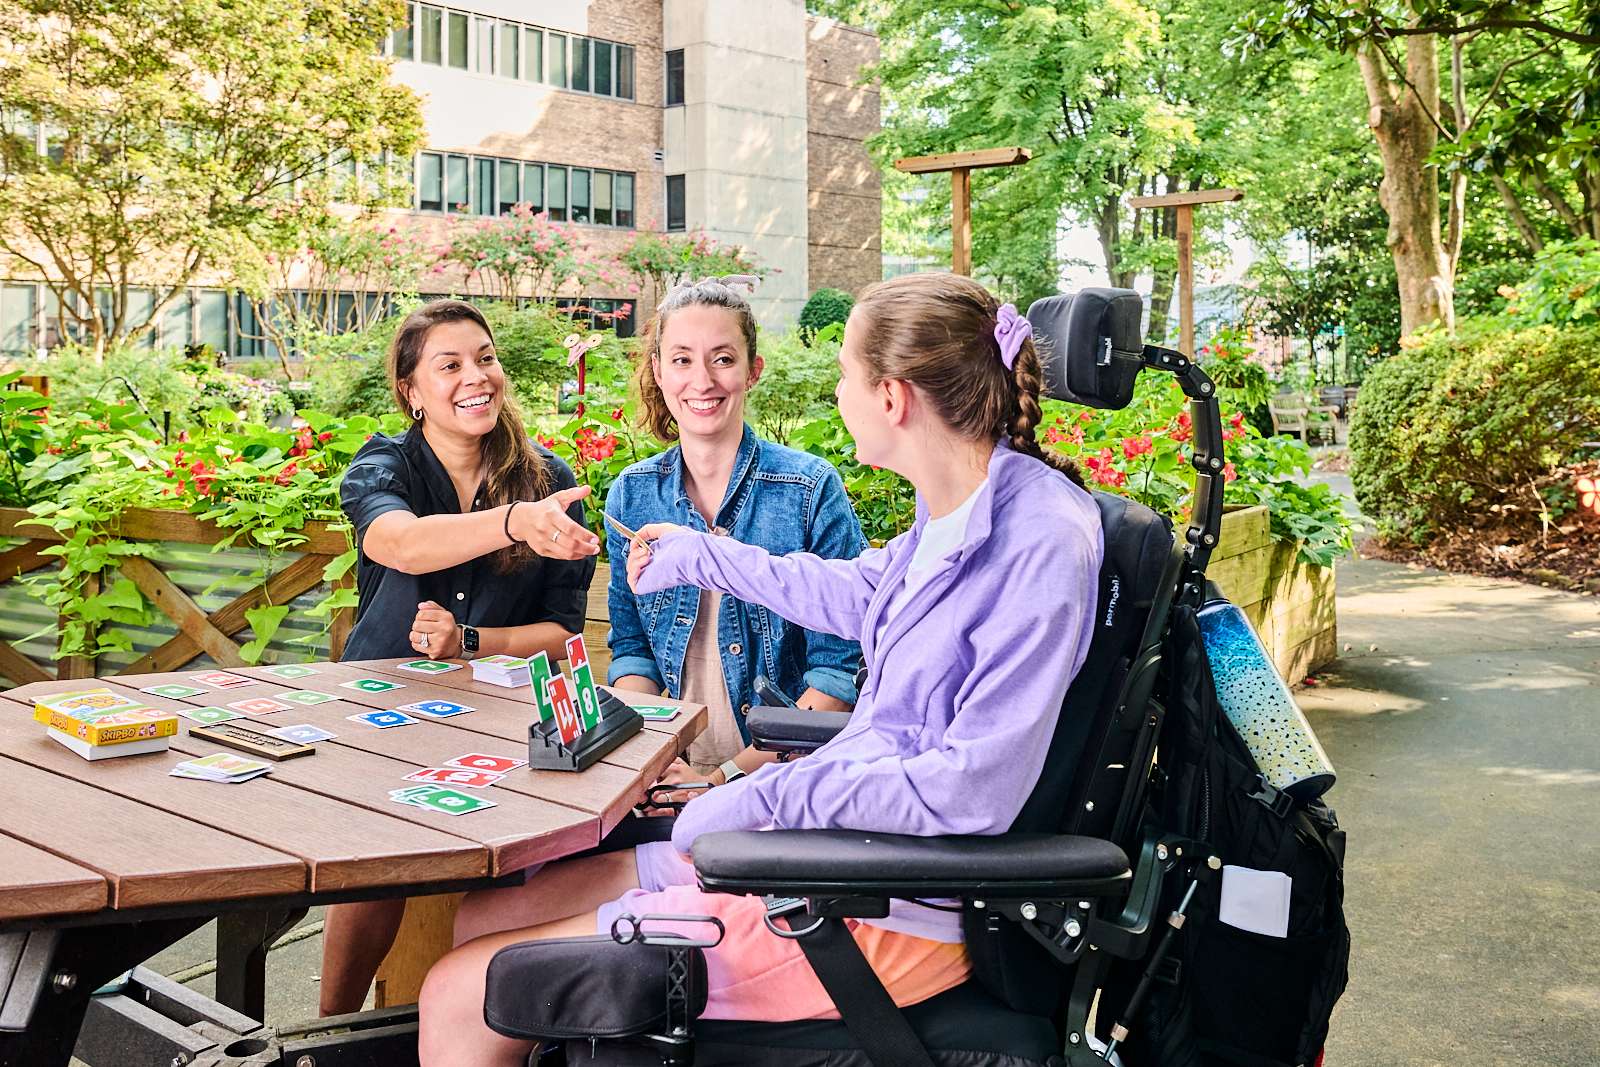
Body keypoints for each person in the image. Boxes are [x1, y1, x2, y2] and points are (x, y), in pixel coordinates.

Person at [414, 273, 1105, 1067]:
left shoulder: (1037, 539)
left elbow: (968, 790)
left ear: (891, 398)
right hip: (823, 846)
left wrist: (762, 792)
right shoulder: (963, 511)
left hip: (873, 902)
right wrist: (702, 555)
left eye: (844, 375)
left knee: (461, 991)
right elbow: (859, 590)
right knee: (480, 917)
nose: (838, 395)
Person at [319, 298, 600, 1016]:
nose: (477, 376)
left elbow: (561, 633)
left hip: (497, 715)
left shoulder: (548, 478)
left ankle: (499, 1021)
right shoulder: (384, 464)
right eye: (450, 365)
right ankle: (327, 1033)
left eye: (486, 357)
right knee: (375, 868)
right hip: (382, 708)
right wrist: (512, 523)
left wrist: (471, 642)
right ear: (412, 391)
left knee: (526, 859)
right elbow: (400, 544)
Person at [605, 275, 867, 799]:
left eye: (723, 359)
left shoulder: (808, 489)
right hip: (666, 774)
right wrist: (657, 758)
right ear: (658, 372)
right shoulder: (632, 495)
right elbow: (633, 652)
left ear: (753, 372)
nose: (701, 380)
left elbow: (837, 675)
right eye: (681, 360)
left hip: (783, 779)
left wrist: (722, 778)